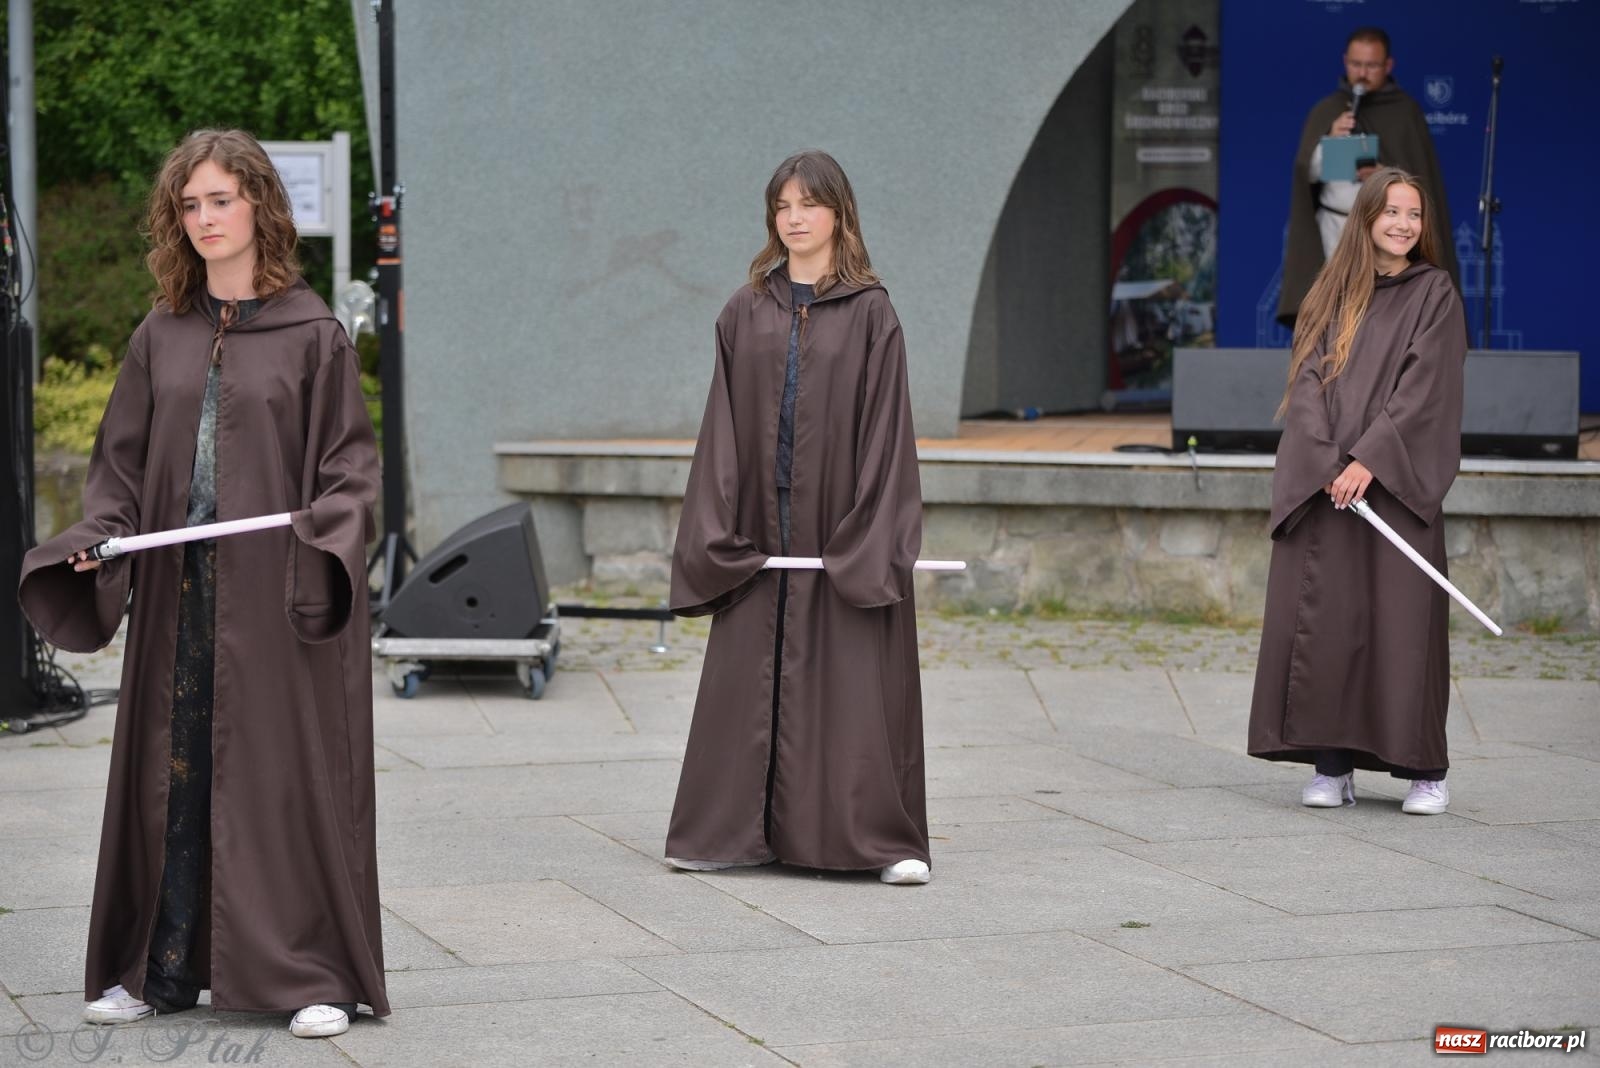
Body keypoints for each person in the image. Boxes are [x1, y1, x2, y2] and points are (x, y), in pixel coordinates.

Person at [17, 130, 388, 1037]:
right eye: (190, 205)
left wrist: (321, 533)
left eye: (221, 200)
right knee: (170, 774)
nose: (205, 219)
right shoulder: (161, 335)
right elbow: (119, 469)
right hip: (177, 599)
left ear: (259, 205)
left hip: (275, 598)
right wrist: (98, 540)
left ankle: (311, 975)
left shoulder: (314, 337)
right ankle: (160, 967)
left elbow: (352, 474)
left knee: (279, 780)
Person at [665, 150, 930, 885]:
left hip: (839, 525)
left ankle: (873, 840)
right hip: (762, 529)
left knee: (849, 684)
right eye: (782, 206)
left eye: (809, 204)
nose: (795, 218)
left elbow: (888, 435)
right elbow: (721, 427)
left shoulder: (873, 312)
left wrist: (869, 536)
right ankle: (731, 831)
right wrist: (720, 530)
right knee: (749, 678)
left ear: (839, 213)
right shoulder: (744, 309)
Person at [1249, 167, 1467, 815]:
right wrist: (1325, 464)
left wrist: (1369, 460)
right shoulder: (1332, 291)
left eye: (1415, 215)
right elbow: (1308, 382)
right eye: (1391, 211)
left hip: (1393, 488)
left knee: (1403, 627)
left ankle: (1426, 769)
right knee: (1329, 625)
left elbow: (1426, 390)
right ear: (1365, 217)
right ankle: (1332, 763)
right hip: (1329, 492)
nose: (1403, 224)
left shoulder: (1436, 295)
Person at [1277, 26, 1458, 328]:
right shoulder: (1327, 109)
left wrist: (1384, 176)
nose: (1362, 73)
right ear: (1345, 61)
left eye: (1372, 65)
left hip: (1386, 232)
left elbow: (1421, 180)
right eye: (1356, 64)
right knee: (1332, 317)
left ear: (1388, 66)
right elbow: (1305, 174)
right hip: (1334, 228)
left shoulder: (1405, 112)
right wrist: (1329, 141)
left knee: (1381, 318)